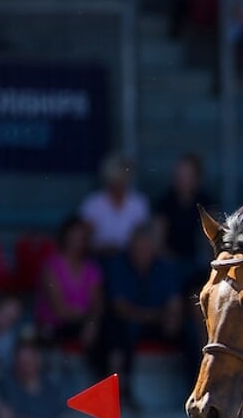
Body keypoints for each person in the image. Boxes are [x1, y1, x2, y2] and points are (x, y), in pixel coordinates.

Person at [98, 223, 183, 394]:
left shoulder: (165, 267)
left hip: (158, 323)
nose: (141, 253)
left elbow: (175, 303)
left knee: (187, 332)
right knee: (120, 330)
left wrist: (169, 317)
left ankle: (194, 388)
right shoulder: (118, 265)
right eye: (137, 248)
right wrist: (156, 316)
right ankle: (123, 390)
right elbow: (121, 308)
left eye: (146, 248)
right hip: (129, 323)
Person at [35, 215, 104, 352]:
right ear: (65, 237)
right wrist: (87, 318)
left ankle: (114, 371)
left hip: (83, 324)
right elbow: (59, 309)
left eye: (81, 238)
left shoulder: (91, 269)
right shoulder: (51, 267)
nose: (76, 242)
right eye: (73, 236)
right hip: (55, 325)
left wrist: (91, 322)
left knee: (106, 329)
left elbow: (97, 305)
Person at [154, 152, 218, 276]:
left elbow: (213, 238)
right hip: (170, 263)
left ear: (197, 177)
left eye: (187, 175)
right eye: (179, 174)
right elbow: (158, 242)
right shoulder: (164, 203)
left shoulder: (206, 203)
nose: (182, 179)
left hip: (199, 262)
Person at [79, 152, 150, 256]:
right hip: (99, 257)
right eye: (115, 181)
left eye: (122, 180)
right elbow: (84, 238)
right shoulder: (93, 203)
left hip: (130, 259)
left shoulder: (139, 203)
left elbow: (143, 238)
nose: (118, 186)